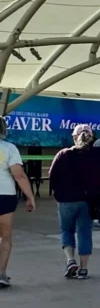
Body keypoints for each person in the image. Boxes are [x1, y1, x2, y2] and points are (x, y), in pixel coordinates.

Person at [49, 125, 100, 280]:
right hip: (89, 200)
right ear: (92, 138)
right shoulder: (98, 156)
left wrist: (57, 192)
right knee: (85, 232)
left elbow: (52, 175)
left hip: (66, 199)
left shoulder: (63, 154)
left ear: (74, 137)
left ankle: (70, 260)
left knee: (66, 230)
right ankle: (84, 268)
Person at [0, 117, 36, 288]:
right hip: (5, 195)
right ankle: (1, 274)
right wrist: (30, 196)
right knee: (5, 237)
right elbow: (19, 175)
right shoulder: (9, 148)